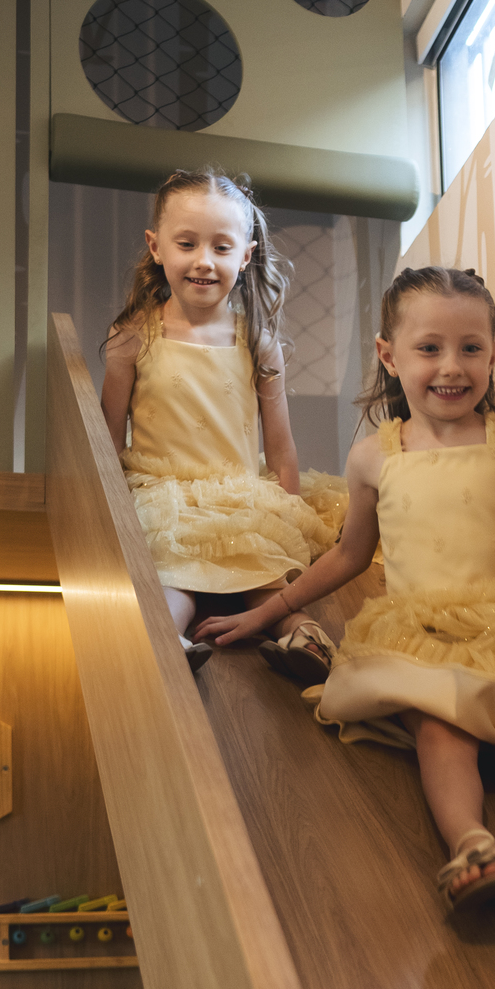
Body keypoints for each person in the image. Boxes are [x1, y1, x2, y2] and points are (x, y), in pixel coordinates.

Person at [195, 264, 495, 912]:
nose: (451, 367)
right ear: (390, 355)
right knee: (442, 732)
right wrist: (268, 612)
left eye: (471, 348)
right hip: (418, 633)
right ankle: (473, 847)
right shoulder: (375, 457)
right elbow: (349, 554)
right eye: (430, 348)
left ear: (494, 353)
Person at [100, 167, 344, 678]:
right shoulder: (133, 338)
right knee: (174, 576)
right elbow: (106, 438)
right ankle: (169, 641)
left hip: (239, 494)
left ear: (246, 256)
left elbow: (281, 446)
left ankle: (304, 636)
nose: (204, 261)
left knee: (264, 578)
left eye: (222, 247)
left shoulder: (257, 342)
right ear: (156, 246)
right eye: (187, 244)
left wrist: (288, 515)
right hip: (162, 494)